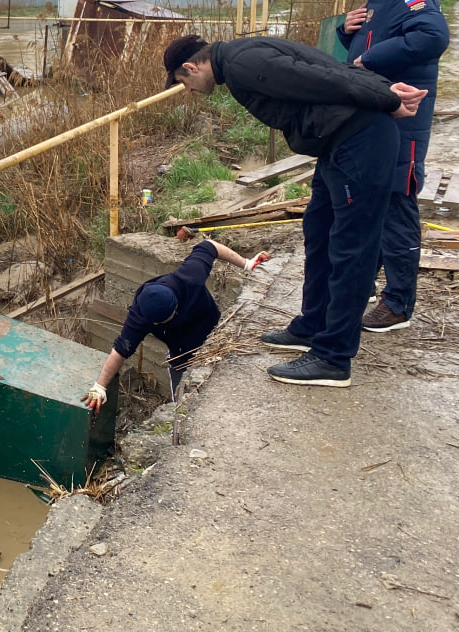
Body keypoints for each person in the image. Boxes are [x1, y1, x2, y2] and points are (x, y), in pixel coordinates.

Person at [162, 34, 426, 388]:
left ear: (191, 67)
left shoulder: (241, 64)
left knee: (352, 249)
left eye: (184, 83)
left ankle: (333, 357)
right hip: (337, 142)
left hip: (360, 140)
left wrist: (387, 97)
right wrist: (381, 88)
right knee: (319, 231)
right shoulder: (241, 54)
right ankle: (313, 325)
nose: (190, 91)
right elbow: (324, 66)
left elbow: (324, 79)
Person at [335, 0, 450, 332]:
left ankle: (398, 303)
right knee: (374, 200)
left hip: (405, 116)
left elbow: (432, 36)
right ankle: (367, 283)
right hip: (379, 113)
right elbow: (377, 40)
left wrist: (368, 59)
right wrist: (347, 33)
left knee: (398, 201)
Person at [81, 241, 269, 413]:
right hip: (182, 356)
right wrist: (100, 387)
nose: (156, 325)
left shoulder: (191, 277)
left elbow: (209, 246)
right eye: (155, 323)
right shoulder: (139, 317)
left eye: (163, 320)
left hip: (217, 337)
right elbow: (120, 351)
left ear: (175, 306)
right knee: (183, 407)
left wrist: (247, 264)